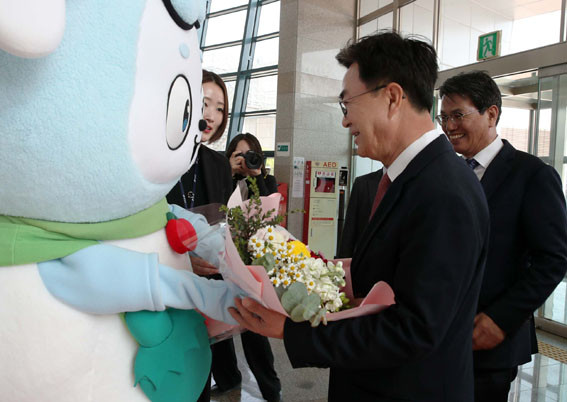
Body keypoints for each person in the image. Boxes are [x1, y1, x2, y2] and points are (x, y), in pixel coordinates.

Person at [229, 31, 490, 401]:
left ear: (392, 97)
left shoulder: (443, 192)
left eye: (347, 103)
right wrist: (323, 274)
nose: (345, 121)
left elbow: (414, 330)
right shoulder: (413, 178)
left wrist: (292, 332)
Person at [438, 71, 567, 402]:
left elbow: (553, 259)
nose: (449, 126)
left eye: (457, 115)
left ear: (491, 114)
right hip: (440, 334)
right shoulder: (447, 173)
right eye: (444, 117)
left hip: (490, 339)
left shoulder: (532, 175)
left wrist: (501, 319)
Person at [166, 69, 233, 402]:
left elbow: (224, 223)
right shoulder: (160, 156)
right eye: (205, 103)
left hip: (204, 293)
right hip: (162, 287)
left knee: (198, 379)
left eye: (220, 108)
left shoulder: (218, 164)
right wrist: (183, 260)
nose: (212, 115)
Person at [209, 132, 282, 402]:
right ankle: (228, 379)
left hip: (252, 265)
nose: (244, 160)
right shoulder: (220, 180)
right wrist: (228, 174)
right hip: (220, 259)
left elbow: (269, 211)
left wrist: (256, 176)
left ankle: (271, 388)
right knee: (221, 326)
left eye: (250, 155)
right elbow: (214, 209)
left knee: (255, 331)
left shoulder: (266, 180)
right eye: (238, 155)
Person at [337, 169, 383, 258]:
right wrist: (342, 263)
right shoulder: (362, 183)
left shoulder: (411, 185)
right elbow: (349, 232)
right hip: (366, 261)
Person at [227, 132, 278, 196]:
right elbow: (219, 199)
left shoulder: (269, 180)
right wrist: (229, 173)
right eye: (240, 154)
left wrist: (257, 177)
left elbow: (265, 201)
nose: (244, 159)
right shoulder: (221, 179)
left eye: (250, 155)